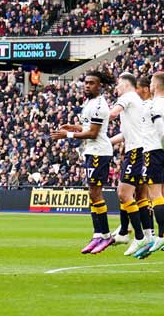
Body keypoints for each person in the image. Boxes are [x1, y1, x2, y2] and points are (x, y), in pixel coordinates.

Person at [51, 69, 116, 254]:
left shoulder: (99, 105)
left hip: (99, 152)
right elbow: (87, 128)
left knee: (96, 193)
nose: (87, 86)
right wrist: (72, 127)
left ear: (99, 85)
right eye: (86, 83)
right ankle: (98, 234)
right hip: (91, 151)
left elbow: (94, 133)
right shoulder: (90, 102)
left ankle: (104, 235)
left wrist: (67, 134)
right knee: (92, 194)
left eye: (91, 83)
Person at [135, 71, 164, 256]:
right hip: (163, 152)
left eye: (152, 83)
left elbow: (162, 132)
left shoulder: (155, 105)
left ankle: (162, 234)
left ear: (156, 85)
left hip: (153, 151)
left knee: (155, 195)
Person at [107, 72, 146, 254]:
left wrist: (92, 124)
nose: (116, 88)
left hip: (137, 152)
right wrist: (106, 142)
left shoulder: (128, 97)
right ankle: (124, 231)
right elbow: (124, 134)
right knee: (126, 193)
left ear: (125, 84)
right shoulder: (134, 102)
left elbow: (112, 114)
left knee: (124, 193)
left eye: (117, 85)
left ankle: (139, 237)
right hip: (135, 150)